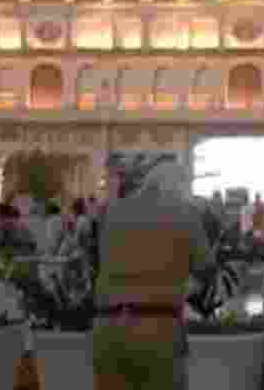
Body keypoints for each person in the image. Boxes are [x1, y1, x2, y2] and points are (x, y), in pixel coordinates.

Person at [92, 156, 209, 390]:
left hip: (108, 329)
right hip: (159, 331)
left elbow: (103, 262)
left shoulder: (111, 212)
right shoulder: (185, 212)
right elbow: (205, 269)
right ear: (181, 188)